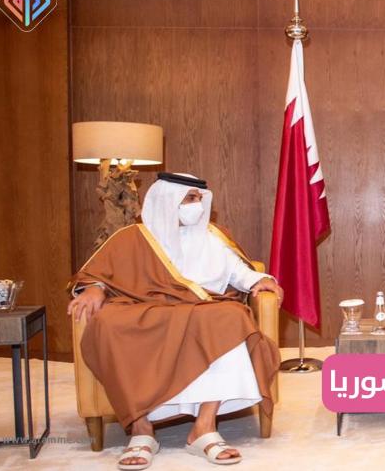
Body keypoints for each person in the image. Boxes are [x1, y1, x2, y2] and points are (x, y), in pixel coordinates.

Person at [68, 172, 283, 469]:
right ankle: (142, 430)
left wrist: (259, 280)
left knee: (231, 317)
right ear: (167, 201)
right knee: (108, 324)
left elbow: (239, 272)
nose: (197, 205)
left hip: (199, 308)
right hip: (144, 306)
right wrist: (95, 288)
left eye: (199, 199)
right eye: (190, 199)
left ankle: (204, 428)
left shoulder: (213, 236)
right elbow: (100, 273)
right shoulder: (132, 237)